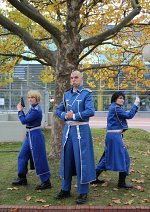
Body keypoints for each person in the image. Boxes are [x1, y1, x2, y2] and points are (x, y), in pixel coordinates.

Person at [55, 70, 96, 204]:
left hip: (82, 131)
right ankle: (65, 189)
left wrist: (74, 115)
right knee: (66, 160)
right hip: (68, 131)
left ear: (82, 78)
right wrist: (65, 116)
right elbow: (58, 110)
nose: (73, 80)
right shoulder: (66, 94)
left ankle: (83, 192)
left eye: (76, 77)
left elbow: (90, 111)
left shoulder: (87, 94)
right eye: (72, 78)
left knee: (81, 161)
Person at [92, 91, 140, 189]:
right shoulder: (116, 108)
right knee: (125, 158)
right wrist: (135, 104)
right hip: (114, 137)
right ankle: (121, 183)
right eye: (120, 98)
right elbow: (129, 115)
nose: (122, 100)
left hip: (113, 136)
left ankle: (93, 177)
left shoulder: (114, 107)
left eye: (123, 98)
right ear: (115, 99)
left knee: (107, 158)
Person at [12, 90, 51, 190]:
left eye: (32, 97)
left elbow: (24, 121)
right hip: (30, 135)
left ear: (37, 99)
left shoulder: (36, 110)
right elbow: (26, 119)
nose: (29, 99)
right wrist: (22, 111)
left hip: (36, 136)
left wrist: (20, 110)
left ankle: (46, 182)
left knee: (39, 158)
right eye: (29, 97)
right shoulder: (33, 108)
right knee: (22, 155)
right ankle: (22, 178)